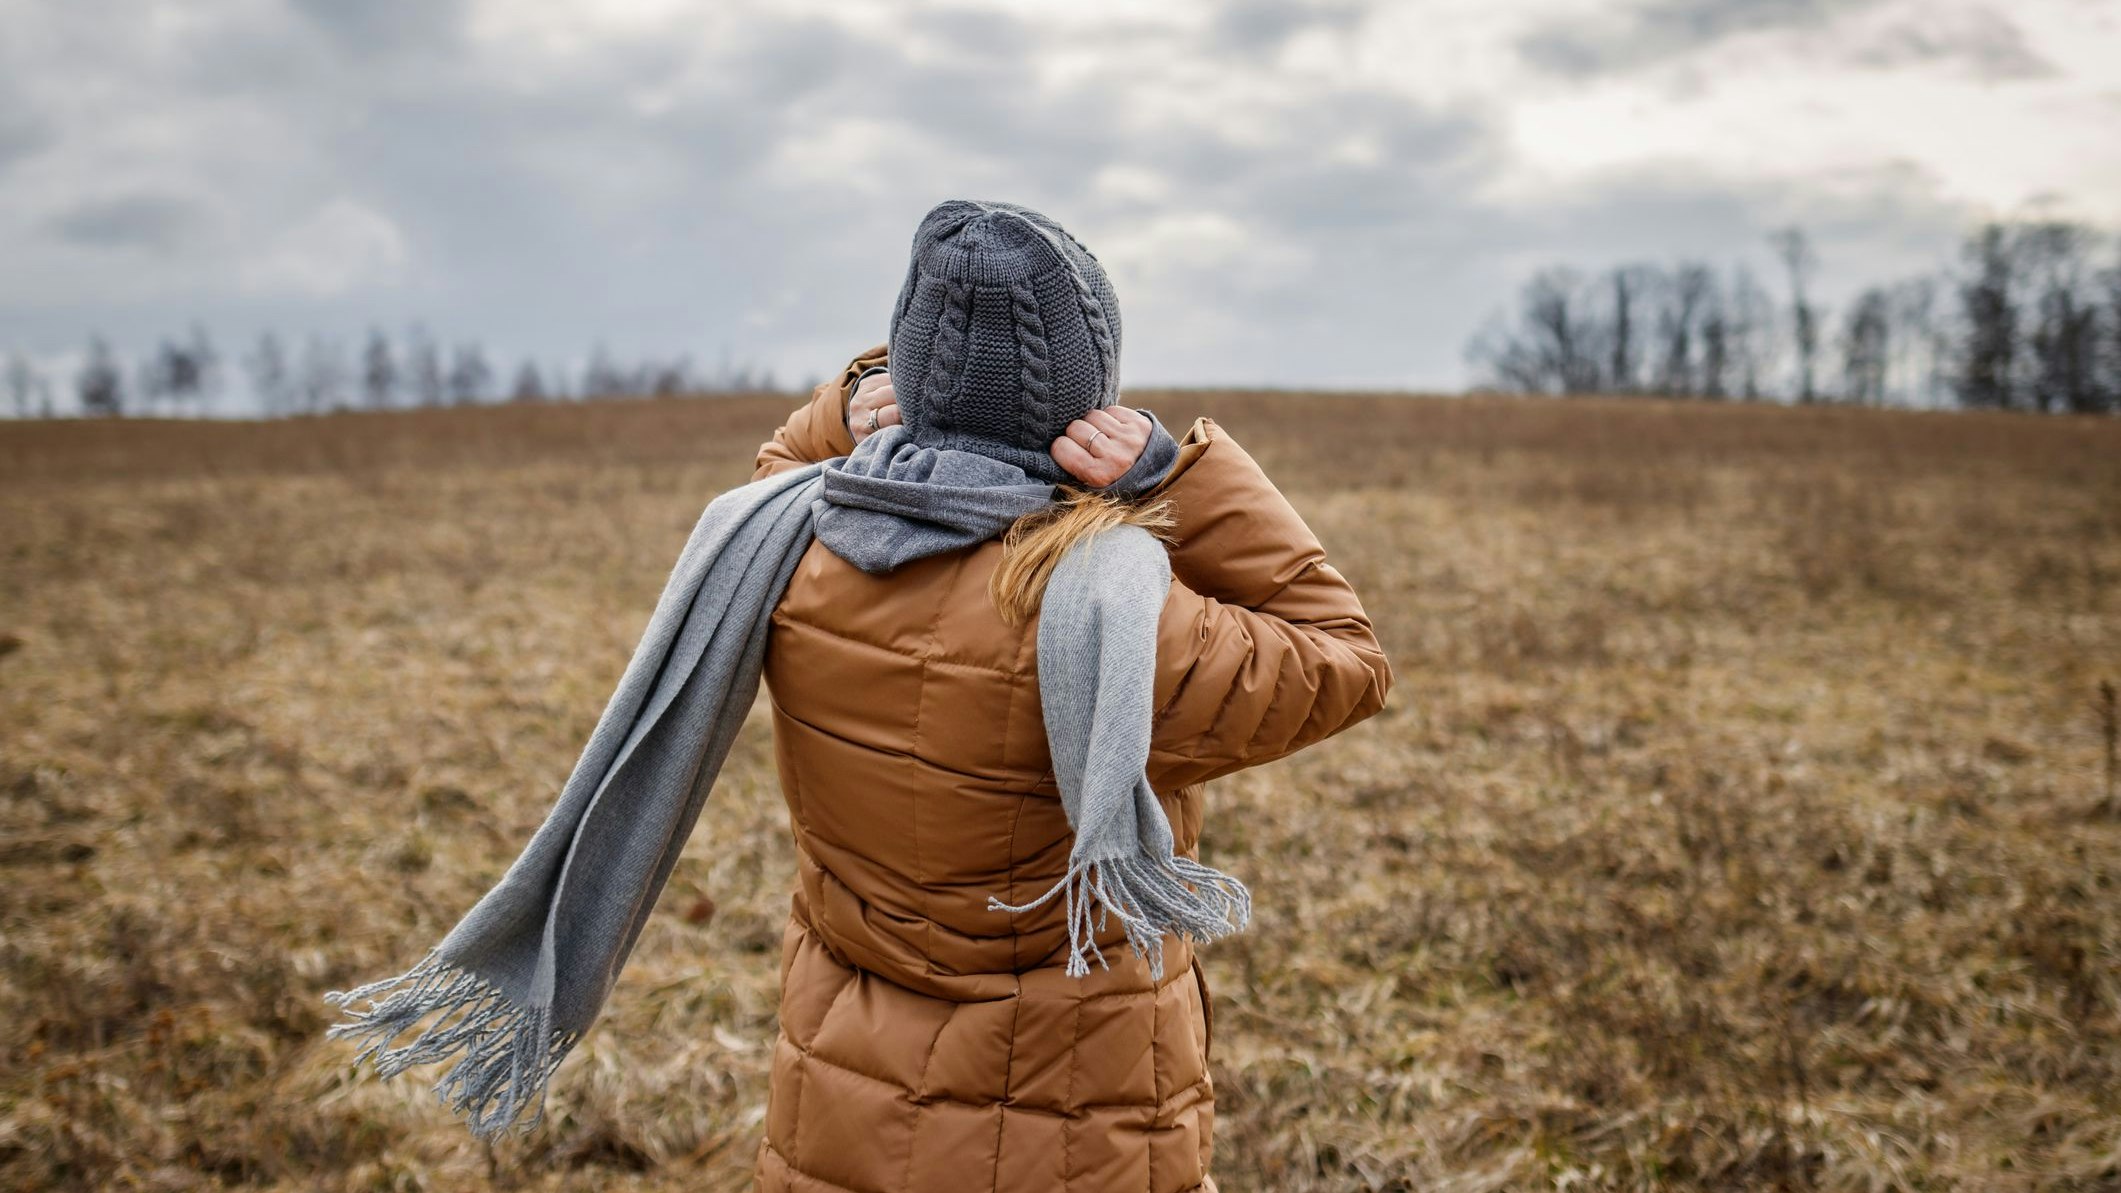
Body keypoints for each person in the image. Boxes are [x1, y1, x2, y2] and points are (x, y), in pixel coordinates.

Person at [746, 200, 1394, 1192]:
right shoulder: (1121, 613)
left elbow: (780, 468)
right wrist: (1184, 477)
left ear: (913, 380)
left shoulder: (795, 552)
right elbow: (1344, 656)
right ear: (1087, 400)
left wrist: (850, 406)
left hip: (845, 1113)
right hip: (1073, 1130)